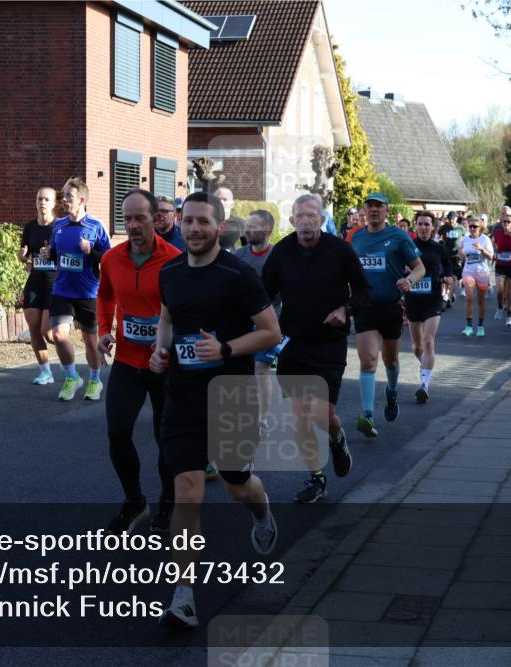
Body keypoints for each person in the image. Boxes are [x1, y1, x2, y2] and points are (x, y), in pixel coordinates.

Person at [152, 191, 281, 630]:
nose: (193, 229)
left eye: (203, 222)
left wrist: (225, 347)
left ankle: (261, 512)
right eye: (187, 221)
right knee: (188, 487)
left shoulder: (239, 275)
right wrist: (160, 351)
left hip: (231, 393)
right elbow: (167, 317)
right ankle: (183, 595)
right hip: (183, 396)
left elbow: (270, 332)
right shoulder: (169, 271)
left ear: (219, 227)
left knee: (235, 483)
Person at [263, 193, 364, 503]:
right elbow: (262, 294)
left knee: (322, 414)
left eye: (312, 216)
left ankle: (337, 438)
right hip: (294, 342)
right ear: (292, 221)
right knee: (301, 417)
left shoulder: (340, 250)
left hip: (329, 343)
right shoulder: (281, 252)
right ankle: (316, 478)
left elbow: (363, 290)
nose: (306, 221)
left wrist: (346, 309)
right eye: (300, 216)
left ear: (322, 220)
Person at [97, 189, 182, 535]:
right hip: (128, 361)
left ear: (156, 219)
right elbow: (104, 294)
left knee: (167, 438)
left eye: (140, 218)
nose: (132, 225)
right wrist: (104, 330)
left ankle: (169, 501)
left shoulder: (175, 259)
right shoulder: (112, 259)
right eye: (127, 218)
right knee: (118, 433)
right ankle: (135, 500)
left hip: (166, 364)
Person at [348, 192, 425, 437]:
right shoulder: (355, 238)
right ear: (364, 210)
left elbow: (420, 268)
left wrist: (409, 280)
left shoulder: (398, 237)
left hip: (391, 306)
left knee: (390, 361)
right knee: (368, 359)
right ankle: (368, 414)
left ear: (386, 211)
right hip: (365, 307)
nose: (373, 210)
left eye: (378, 207)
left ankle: (391, 393)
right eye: (369, 206)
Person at [40, 178, 111, 401]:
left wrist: (92, 251)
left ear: (81, 199)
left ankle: (94, 380)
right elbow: (55, 254)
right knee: (59, 335)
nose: (64, 200)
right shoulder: (59, 225)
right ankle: (71, 377)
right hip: (62, 289)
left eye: (68, 196)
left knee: (90, 341)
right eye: (63, 195)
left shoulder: (96, 226)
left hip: (88, 292)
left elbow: (109, 259)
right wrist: (47, 255)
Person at [235, 210, 280, 432]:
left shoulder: (277, 257)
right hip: (241, 322)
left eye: (252, 227)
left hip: (269, 323)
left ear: (267, 230)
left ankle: (261, 419)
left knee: (261, 368)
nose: (247, 230)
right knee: (242, 369)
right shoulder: (239, 255)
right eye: (247, 225)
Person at [407, 212, 451, 402]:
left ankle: (424, 385)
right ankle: (425, 364)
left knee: (428, 340)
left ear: (433, 227)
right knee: (417, 347)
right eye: (420, 224)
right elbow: (398, 266)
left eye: (427, 224)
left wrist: (449, 276)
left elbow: (449, 266)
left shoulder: (438, 248)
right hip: (413, 300)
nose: (424, 227)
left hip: (433, 300)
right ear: (415, 226)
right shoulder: (408, 247)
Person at [19, 187, 60, 384]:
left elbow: (68, 255)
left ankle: (67, 356)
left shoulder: (60, 227)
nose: (42, 202)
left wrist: (53, 254)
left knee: (49, 333)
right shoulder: (30, 227)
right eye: (39, 199)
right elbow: (25, 256)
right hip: (35, 282)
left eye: (46, 199)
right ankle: (46, 372)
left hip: (55, 283)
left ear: (53, 204)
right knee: (34, 328)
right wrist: (22, 256)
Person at [458, 215, 494, 337]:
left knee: (481, 301)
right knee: (469, 297)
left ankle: (480, 325)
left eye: (475, 226)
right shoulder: (465, 239)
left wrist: (482, 249)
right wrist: (460, 253)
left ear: (480, 227)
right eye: (470, 226)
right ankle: (468, 326)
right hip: (468, 271)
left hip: (482, 273)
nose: (472, 228)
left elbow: (490, 257)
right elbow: (462, 256)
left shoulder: (485, 239)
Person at [492, 212, 511, 327]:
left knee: (509, 293)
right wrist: (494, 251)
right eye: (504, 222)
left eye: (508, 222)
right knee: (500, 289)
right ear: (501, 223)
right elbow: (495, 245)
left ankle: (509, 316)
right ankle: (500, 307)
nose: (506, 224)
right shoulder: (498, 233)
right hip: (500, 264)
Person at [438, 212, 465, 307]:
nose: (451, 221)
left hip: (456, 256)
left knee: (453, 277)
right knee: (445, 276)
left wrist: (463, 250)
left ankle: (448, 298)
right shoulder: (444, 227)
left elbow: (465, 239)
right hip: (445, 255)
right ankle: (446, 293)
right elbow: (438, 236)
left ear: (456, 218)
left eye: (453, 219)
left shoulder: (461, 228)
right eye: (449, 219)